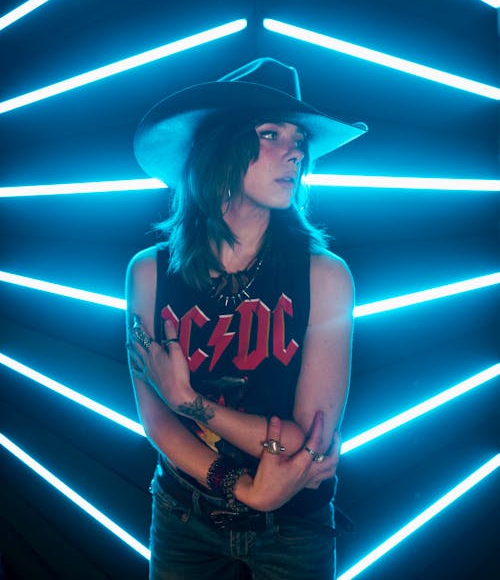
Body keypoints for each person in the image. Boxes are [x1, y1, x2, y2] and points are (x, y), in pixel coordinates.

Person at [126, 57, 367, 579]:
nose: (296, 151)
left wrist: (190, 400)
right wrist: (243, 490)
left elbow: (309, 442)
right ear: (218, 149)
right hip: (181, 516)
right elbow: (157, 421)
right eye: (270, 134)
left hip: (293, 526)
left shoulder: (326, 278)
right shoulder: (148, 274)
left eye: (299, 138)